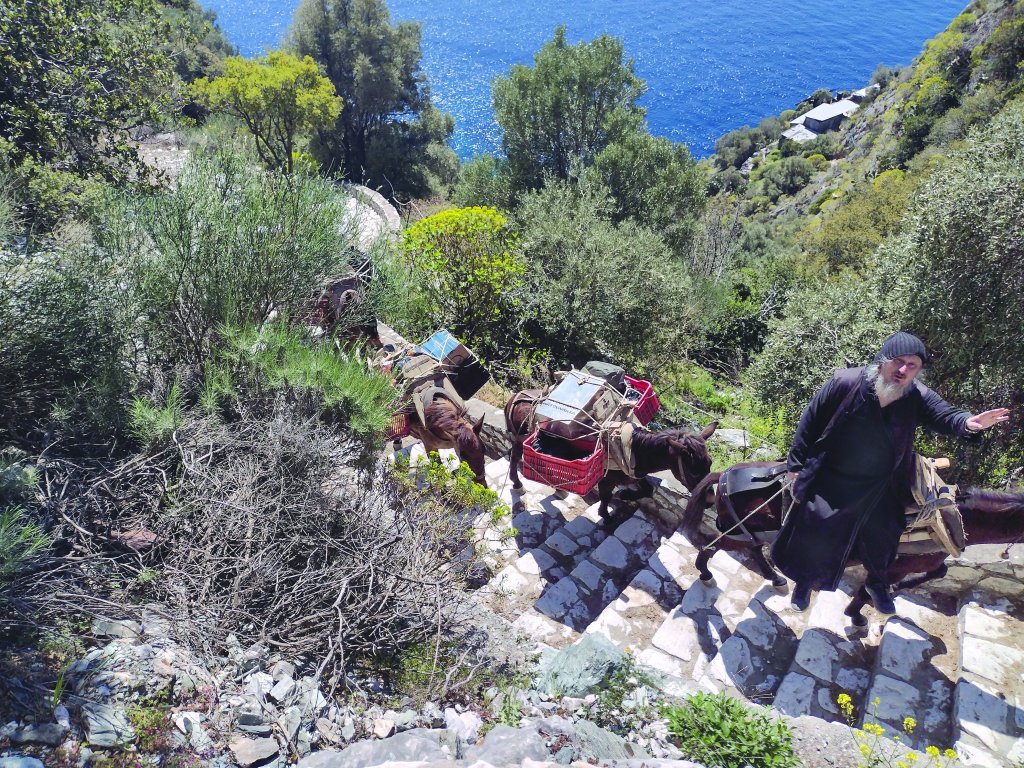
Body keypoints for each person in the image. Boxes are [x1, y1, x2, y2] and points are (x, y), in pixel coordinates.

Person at [771, 332, 1010, 613]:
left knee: (887, 528)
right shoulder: (845, 383)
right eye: (898, 361)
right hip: (834, 476)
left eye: (912, 365)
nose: (903, 370)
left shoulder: (917, 396)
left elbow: (946, 415)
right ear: (882, 361)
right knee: (818, 523)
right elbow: (810, 422)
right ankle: (804, 581)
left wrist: (968, 423)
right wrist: (795, 466)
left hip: (882, 483)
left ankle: (877, 583)